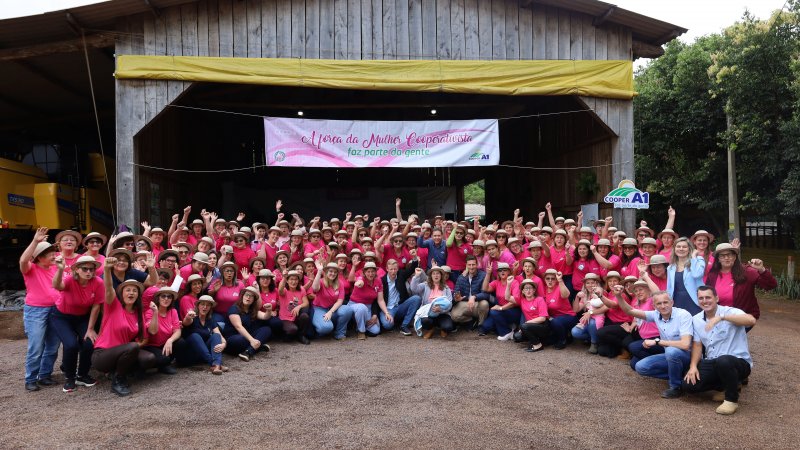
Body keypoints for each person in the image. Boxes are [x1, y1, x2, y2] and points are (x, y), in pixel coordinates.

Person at [682, 286, 757, 415]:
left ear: (716, 298)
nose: (704, 301)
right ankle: (728, 385)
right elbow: (697, 346)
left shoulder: (730, 311)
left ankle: (731, 400)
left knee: (724, 361)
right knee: (688, 386)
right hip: (713, 362)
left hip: (738, 362)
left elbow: (751, 320)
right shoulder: (696, 319)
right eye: (701, 298)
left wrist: (722, 317)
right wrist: (693, 366)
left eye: (708, 297)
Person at [614, 289, 693, 399]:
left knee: (671, 351)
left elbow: (685, 344)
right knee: (640, 367)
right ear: (654, 306)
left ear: (672, 302)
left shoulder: (683, 315)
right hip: (669, 355)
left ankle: (675, 387)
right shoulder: (656, 314)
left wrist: (657, 341)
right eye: (659, 303)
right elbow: (630, 311)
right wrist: (618, 296)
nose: (663, 306)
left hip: (687, 356)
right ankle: (679, 376)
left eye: (665, 302)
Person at [91, 257, 147, 397]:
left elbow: (143, 338)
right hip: (102, 355)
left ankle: (118, 372)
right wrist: (107, 269)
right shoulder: (113, 306)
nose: (131, 293)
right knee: (132, 347)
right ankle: (118, 381)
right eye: (128, 290)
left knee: (147, 358)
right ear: (121, 293)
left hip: (121, 353)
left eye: (134, 291)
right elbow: (108, 287)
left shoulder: (138, 314)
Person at [51, 255, 103, 393]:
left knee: (89, 342)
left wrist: (90, 329)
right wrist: (60, 269)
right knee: (71, 345)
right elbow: (56, 285)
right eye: (85, 269)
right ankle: (70, 377)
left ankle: (82, 375)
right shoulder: (70, 280)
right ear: (77, 270)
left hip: (82, 317)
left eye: (91, 269)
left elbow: (96, 306)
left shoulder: (98, 282)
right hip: (61, 316)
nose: (88, 272)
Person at [19, 227, 61, 391]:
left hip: (55, 310)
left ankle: (44, 375)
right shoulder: (31, 269)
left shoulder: (56, 267)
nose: (54, 255)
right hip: (36, 311)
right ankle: (30, 378)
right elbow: (23, 261)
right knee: (36, 346)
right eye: (50, 253)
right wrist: (35, 241)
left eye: (53, 252)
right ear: (40, 257)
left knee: (53, 345)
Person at [705, 243, 776, 323]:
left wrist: (761, 270)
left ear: (735, 257)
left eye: (729, 255)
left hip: (743, 317)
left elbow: (770, 285)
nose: (726, 258)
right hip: (720, 317)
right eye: (722, 256)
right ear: (718, 259)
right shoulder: (713, 275)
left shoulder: (747, 272)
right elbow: (708, 295)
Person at [177, 295, 228, 374]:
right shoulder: (192, 317)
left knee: (216, 336)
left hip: (202, 355)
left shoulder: (210, 320)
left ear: (210, 308)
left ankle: (216, 364)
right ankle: (216, 364)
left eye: (208, 305)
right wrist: (188, 317)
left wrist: (224, 344)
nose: (205, 307)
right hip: (189, 354)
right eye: (202, 304)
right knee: (195, 336)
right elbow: (186, 322)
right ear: (198, 306)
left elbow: (219, 334)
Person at [224, 286, 272, 361]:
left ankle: (249, 351)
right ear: (242, 296)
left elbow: (265, 317)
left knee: (266, 329)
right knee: (240, 339)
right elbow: (238, 326)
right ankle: (258, 347)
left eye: (251, 296)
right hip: (233, 339)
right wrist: (252, 340)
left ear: (253, 300)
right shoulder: (234, 308)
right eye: (247, 295)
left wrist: (269, 310)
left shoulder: (252, 309)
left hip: (247, 337)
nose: (248, 297)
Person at [141, 287, 182, 375]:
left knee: (181, 342)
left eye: (169, 297)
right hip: (151, 346)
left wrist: (170, 340)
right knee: (163, 359)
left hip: (164, 343)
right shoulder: (150, 312)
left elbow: (177, 330)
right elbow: (152, 331)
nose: (166, 299)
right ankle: (161, 364)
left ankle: (165, 365)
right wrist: (155, 312)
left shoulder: (173, 311)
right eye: (163, 296)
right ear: (158, 298)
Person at [310, 261, 354, 340]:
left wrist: (331, 311)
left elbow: (340, 301)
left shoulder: (340, 283)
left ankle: (339, 333)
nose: (333, 273)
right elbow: (315, 288)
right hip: (319, 309)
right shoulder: (321, 281)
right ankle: (319, 330)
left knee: (347, 309)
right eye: (330, 271)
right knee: (326, 328)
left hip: (332, 309)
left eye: (335, 272)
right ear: (326, 272)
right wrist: (319, 271)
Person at [349, 262, 392, 340]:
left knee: (375, 331)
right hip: (354, 305)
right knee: (361, 308)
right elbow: (359, 281)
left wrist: (386, 312)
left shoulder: (378, 281)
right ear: (364, 272)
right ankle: (361, 331)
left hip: (368, 307)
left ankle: (359, 324)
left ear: (375, 272)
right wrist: (359, 283)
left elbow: (380, 300)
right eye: (368, 271)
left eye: (372, 271)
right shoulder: (361, 278)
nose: (370, 274)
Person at [409, 265, 454, 338]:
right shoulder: (425, 285)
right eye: (434, 274)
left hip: (442, 313)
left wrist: (441, 310)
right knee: (425, 320)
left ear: (441, 275)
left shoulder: (446, 288)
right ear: (431, 276)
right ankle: (431, 329)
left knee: (448, 327)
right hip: (429, 313)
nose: (436, 275)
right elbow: (414, 289)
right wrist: (416, 276)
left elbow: (450, 304)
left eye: (438, 273)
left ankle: (443, 329)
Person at [479, 262, 521, 340]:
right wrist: (488, 274)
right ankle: (510, 327)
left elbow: (515, 301)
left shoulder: (514, 282)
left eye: (505, 270)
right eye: (500, 270)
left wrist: (501, 308)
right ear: (498, 273)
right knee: (485, 327)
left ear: (509, 272)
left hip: (513, 310)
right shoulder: (496, 282)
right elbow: (485, 289)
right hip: (501, 310)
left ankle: (506, 332)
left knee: (494, 312)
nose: (502, 272)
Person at [380, 258, 421, 336]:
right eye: (391, 269)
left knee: (416, 299)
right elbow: (378, 299)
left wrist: (415, 257)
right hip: (388, 308)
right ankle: (394, 321)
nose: (393, 271)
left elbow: (412, 269)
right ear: (387, 269)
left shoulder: (401, 274)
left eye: (395, 269)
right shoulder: (382, 280)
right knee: (387, 325)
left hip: (400, 306)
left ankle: (404, 325)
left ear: (398, 269)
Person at [665, 237, 706, 315]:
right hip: (677, 303)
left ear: (689, 249)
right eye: (678, 246)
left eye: (684, 247)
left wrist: (693, 257)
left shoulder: (698, 260)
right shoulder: (670, 268)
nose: (681, 249)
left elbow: (697, 274)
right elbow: (669, 288)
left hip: (694, 301)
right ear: (674, 249)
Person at [569, 273, 608, 354]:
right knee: (575, 332)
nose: (590, 285)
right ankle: (593, 338)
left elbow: (606, 307)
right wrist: (577, 297)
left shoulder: (601, 292)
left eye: (592, 282)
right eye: (588, 283)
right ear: (585, 285)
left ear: (596, 283)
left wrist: (590, 312)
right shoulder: (585, 294)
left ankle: (594, 343)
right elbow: (576, 309)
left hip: (601, 320)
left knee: (592, 323)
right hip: (589, 320)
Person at [452, 255, 491, 328]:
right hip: (465, 303)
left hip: (477, 303)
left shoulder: (483, 275)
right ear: (466, 265)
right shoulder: (461, 277)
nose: (471, 267)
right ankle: (471, 321)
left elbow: (486, 294)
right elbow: (456, 292)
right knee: (454, 316)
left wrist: (474, 297)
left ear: (477, 264)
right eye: (469, 265)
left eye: (473, 264)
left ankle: (481, 324)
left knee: (484, 304)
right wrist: (456, 298)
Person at [277, 270, 311, 344]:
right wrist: (284, 277)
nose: (294, 282)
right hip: (286, 318)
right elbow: (280, 289)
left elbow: (306, 303)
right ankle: (288, 335)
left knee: (305, 315)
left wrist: (299, 307)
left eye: (296, 279)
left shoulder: (301, 289)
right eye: (291, 279)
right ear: (287, 281)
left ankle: (301, 335)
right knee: (292, 329)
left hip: (296, 317)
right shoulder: (284, 290)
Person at [517, 279, 550, 352]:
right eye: (526, 288)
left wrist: (527, 323)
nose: (528, 290)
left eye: (530, 288)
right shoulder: (522, 300)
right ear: (523, 291)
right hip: (531, 326)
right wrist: (509, 284)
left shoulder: (540, 300)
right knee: (517, 337)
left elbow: (542, 318)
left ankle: (538, 345)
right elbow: (508, 297)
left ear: (534, 290)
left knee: (524, 326)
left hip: (542, 325)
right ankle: (537, 340)